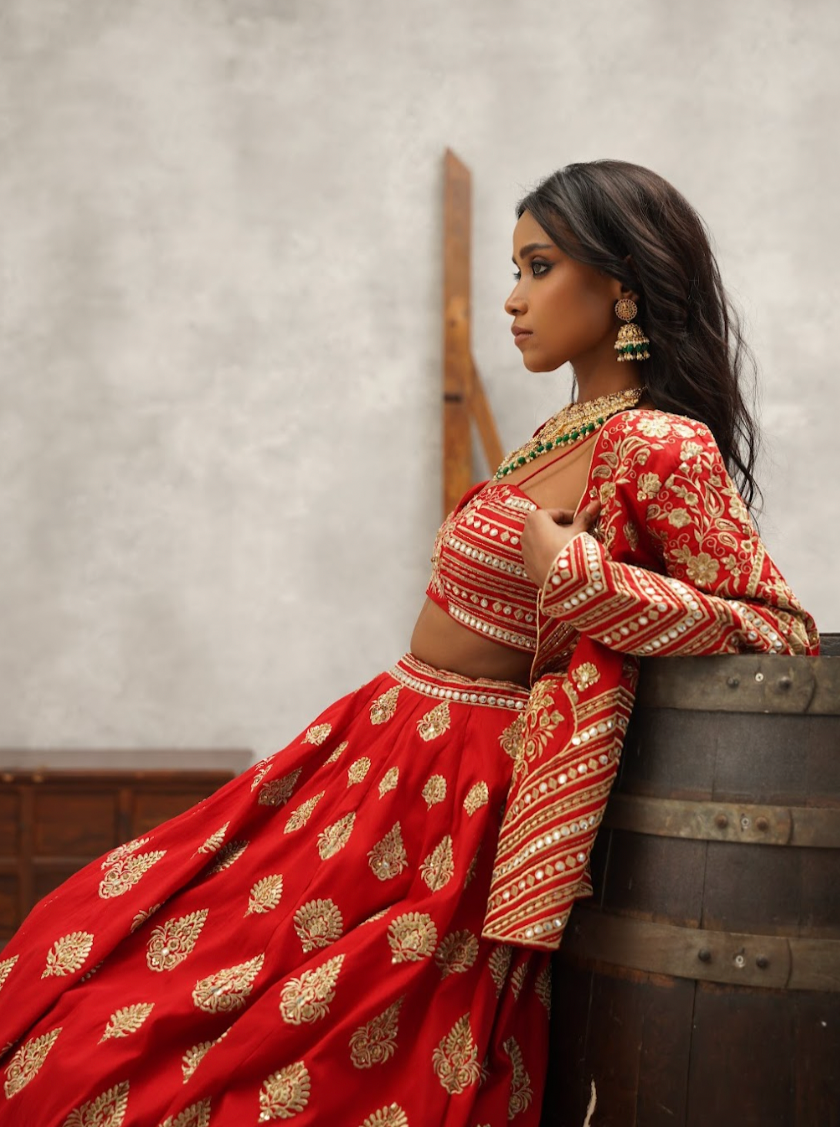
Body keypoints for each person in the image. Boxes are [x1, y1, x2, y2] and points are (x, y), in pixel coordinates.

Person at [0, 160, 818, 1127]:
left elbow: (780, 632)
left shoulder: (661, 444)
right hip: (379, 754)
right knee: (124, 968)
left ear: (622, 284)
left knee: (257, 1057)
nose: (512, 301)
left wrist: (582, 579)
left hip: (452, 808)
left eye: (539, 268)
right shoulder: (565, 427)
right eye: (513, 269)